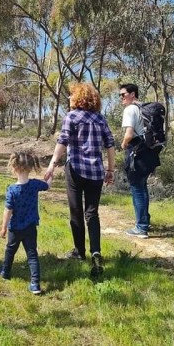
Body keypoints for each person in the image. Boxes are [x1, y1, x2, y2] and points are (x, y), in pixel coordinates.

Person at [44, 82, 115, 278]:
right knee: (92, 212)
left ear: (78, 97)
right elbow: (110, 145)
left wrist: (52, 164)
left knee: (76, 212)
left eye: (72, 95)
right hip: (96, 172)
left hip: (75, 170)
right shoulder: (100, 119)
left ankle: (79, 252)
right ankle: (96, 252)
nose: (69, 98)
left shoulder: (72, 117)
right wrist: (110, 169)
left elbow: (63, 141)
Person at [0, 150, 52, 295]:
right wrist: (49, 175)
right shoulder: (35, 185)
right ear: (30, 168)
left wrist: (3, 228)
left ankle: (5, 272)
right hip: (30, 227)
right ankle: (35, 284)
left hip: (15, 228)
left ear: (14, 168)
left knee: (10, 251)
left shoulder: (12, 190)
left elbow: (7, 211)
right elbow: (47, 186)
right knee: (32, 254)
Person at [119, 83, 160, 239]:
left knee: (137, 188)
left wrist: (123, 145)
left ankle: (141, 228)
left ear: (133, 94)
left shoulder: (130, 110)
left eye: (123, 94)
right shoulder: (142, 109)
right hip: (147, 151)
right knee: (142, 187)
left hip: (136, 151)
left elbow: (129, 134)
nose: (121, 98)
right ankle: (145, 222)